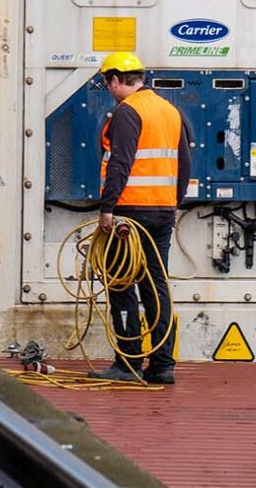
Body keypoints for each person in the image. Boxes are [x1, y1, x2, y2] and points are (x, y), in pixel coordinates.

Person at [91, 52, 191, 384]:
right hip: (162, 211)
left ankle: (128, 363)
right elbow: (185, 163)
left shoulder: (127, 112)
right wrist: (174, 203)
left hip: (129, 213)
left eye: (107, 82)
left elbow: (120, 162)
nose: (108, 89)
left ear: (115, 80)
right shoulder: (169, 110)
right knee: (155, 285)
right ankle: (163, 365)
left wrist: (107, 208)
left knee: (121, 283)